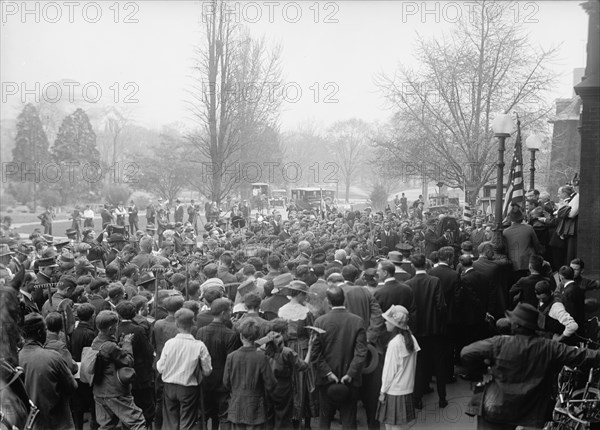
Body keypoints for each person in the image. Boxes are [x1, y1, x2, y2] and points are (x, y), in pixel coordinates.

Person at [461, 302, 600, 429]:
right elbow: (583, 356)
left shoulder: (499, 343)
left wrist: (482, 371)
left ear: (516, 325)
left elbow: (466, 353)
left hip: (495, 408)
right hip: (530, 411)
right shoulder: (548, 347)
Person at [311, 285, 368, 430]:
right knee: (349, 418)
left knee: (325, 419)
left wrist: (328, 373)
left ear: (328, 302)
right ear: (345, 300)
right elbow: (361, 352)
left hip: (325, 380)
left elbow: (315, 353)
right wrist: (350, 373)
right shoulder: (357, 321)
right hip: (350, 380)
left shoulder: (320, 322)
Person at [19, 312, 78, 430]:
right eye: (45, 329)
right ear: (40, 333)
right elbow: (72, 386)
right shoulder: (53, 357)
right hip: (57, 422)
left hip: (29, 423)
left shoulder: (14, 359)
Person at [157, 308, 213, 430]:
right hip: (188, 388)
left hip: (169, 387)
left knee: (170, 421)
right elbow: (207, 370)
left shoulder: (169, 343)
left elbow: (160, 367)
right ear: (193, 323)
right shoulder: (199, 345)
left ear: (176, 324)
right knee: (187, 422)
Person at [405, 253, 447, 409]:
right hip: (435, 330)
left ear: (412, 266)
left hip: (417, 331)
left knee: (419, 365)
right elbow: (441, 306)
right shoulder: (434, 281)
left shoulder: (409, 283)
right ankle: (442, 398)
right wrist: (441, 324)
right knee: (439, 364)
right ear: (426, 264)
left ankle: (417, 399)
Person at [91, 310, 146, 430]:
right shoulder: (110, 346)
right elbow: (128, 361)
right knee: (137, 421)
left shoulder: (96, 341)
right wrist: (127, 343)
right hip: (114, 391)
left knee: (107, 425)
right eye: (116, 326)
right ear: (111, 328)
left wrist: (118, 344)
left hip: (99, 391)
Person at [195, 298, 241, 430]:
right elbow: (231, 361)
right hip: (223, 382)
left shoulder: (201, 331)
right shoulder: (231, 335)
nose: (230, 314)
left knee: (203, 416)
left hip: (204, 380)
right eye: (229, 311)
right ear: (222, 313)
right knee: (224, 417)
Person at [223, 318, 277, 429]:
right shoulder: (262, 357)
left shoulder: (231, 357)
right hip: (256, 406)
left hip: (236, 404)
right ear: (257, 337)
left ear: (241, 336)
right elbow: (271, 383)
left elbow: (226, 382)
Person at [277, 280, 316, 428]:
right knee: (304, 384)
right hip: (303, 349)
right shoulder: (307, 312)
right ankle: (306, 422)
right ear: (299, 294)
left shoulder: (282, 310)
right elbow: (311, 334)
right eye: (304, 294)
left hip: (286, 349)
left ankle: (294, 419)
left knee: (292, 384)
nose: (305, 297)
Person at [378, 305, 420, 430]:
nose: (385, 322)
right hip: (407, 389)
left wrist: (382, 391)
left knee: (391, 426)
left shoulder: (394, 343)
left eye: (387, 320)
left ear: (394, 323)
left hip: (393, 391)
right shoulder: (411, 339)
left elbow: (389, 371)